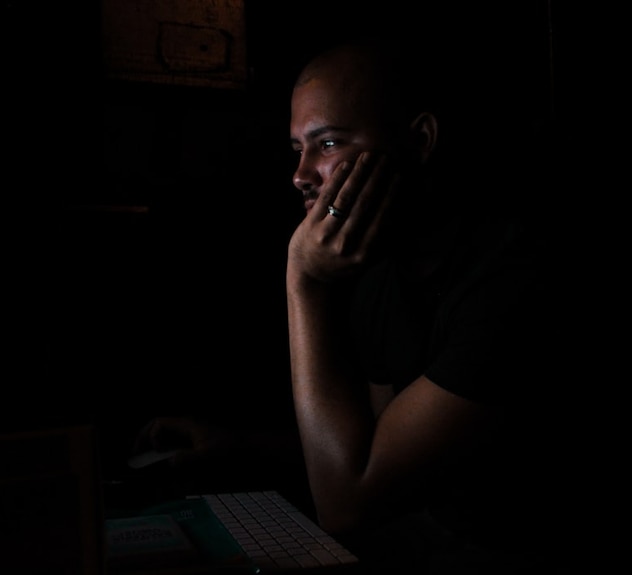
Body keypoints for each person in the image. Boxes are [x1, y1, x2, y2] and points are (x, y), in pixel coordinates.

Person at [133, 34, 560, 573]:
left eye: (329, 144)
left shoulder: (513, 276)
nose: (301, 174)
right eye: (298, 149)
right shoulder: (387, 273)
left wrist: (303, 279)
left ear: (420, 139)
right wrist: (241, 446)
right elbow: (380, 446)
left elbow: (349, 501)